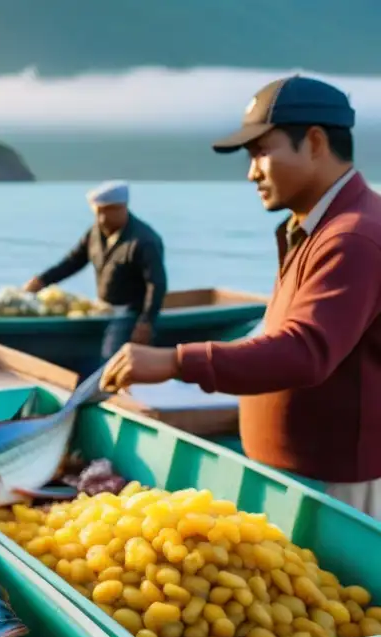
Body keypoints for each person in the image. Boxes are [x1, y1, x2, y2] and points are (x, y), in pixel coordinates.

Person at [100, 75, 381, 517]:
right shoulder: (314, 228)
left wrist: (175, 362)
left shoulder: (353, 238)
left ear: (313, 142)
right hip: (298, 475)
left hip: (334, 484)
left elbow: (304, 350)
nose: (251, 173)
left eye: (261, 152)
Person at [24, 181, 167, 368]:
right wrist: (41, 281)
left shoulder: (144, 240)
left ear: (122, 208)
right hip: (102, 308)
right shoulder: (95, 233)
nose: (100, 218)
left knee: (110, 361)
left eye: (106, 212)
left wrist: (146, 322)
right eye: (97, 212)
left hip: (129, 313)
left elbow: (156, 284)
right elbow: (73, 262)